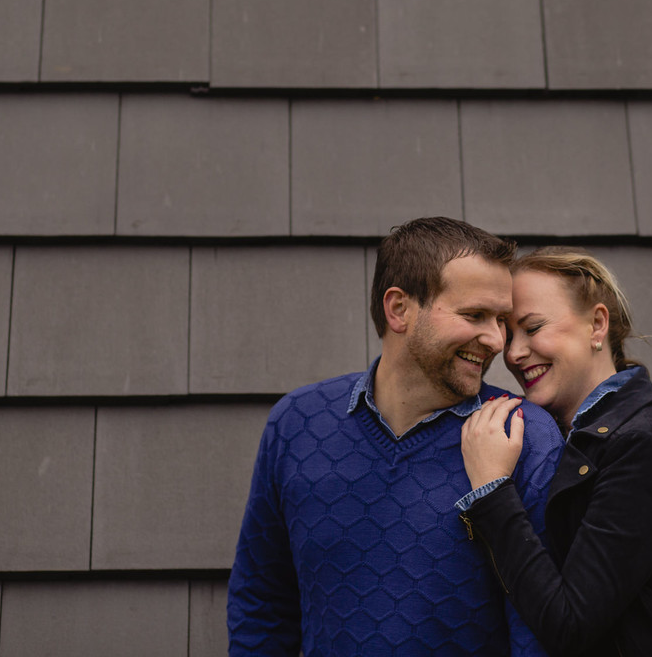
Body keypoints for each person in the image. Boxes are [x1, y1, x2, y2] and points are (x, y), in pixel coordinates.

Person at [227, 217, 564, 656]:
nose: (496, 339)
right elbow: (262, 603)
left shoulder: (524, 435)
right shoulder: (296, 424)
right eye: (474, 315)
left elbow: (538, 631)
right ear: (399, 309)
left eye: (501, 319)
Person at [458, 247, 652, 656]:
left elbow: (570, 625)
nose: (514, 353)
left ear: (596, 325)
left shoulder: (643, 446)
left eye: (533, 327)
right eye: (509, 334)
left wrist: (491, 489)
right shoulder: (569, 435)